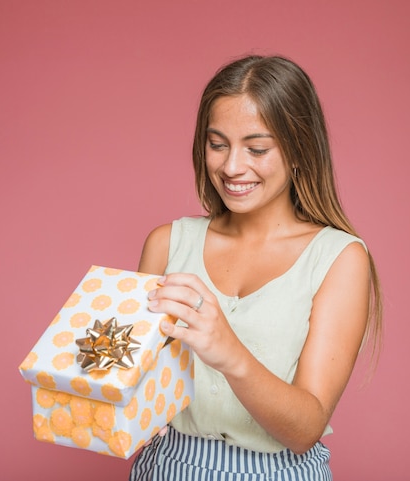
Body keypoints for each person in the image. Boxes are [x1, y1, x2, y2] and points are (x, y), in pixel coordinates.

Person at [129, 54, 382, 481]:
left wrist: (228, 352)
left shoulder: (339, 258)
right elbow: (134, 386)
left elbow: (305, 430)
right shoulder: (167, 243)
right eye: (217, 144)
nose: (231, 167)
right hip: (167, 466)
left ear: (300, 149)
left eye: (257, 148)